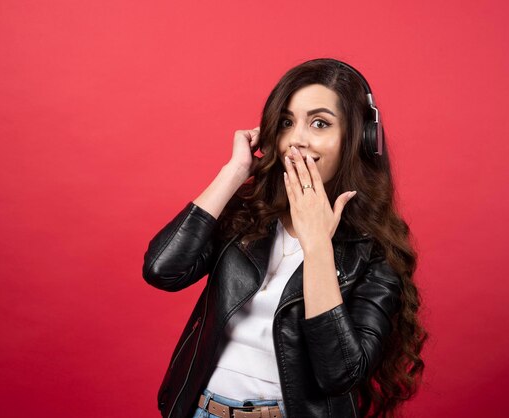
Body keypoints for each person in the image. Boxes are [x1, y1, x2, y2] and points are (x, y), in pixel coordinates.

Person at [143, 58, 427, 418]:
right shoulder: (248, 214)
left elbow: (339, 372)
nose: (296, 139)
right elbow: (162, 269)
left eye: (320, 123)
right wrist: (235, 172)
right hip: (202, 410)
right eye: (287, 123)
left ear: (358, 139)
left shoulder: (375, 252)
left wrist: (317, 247)